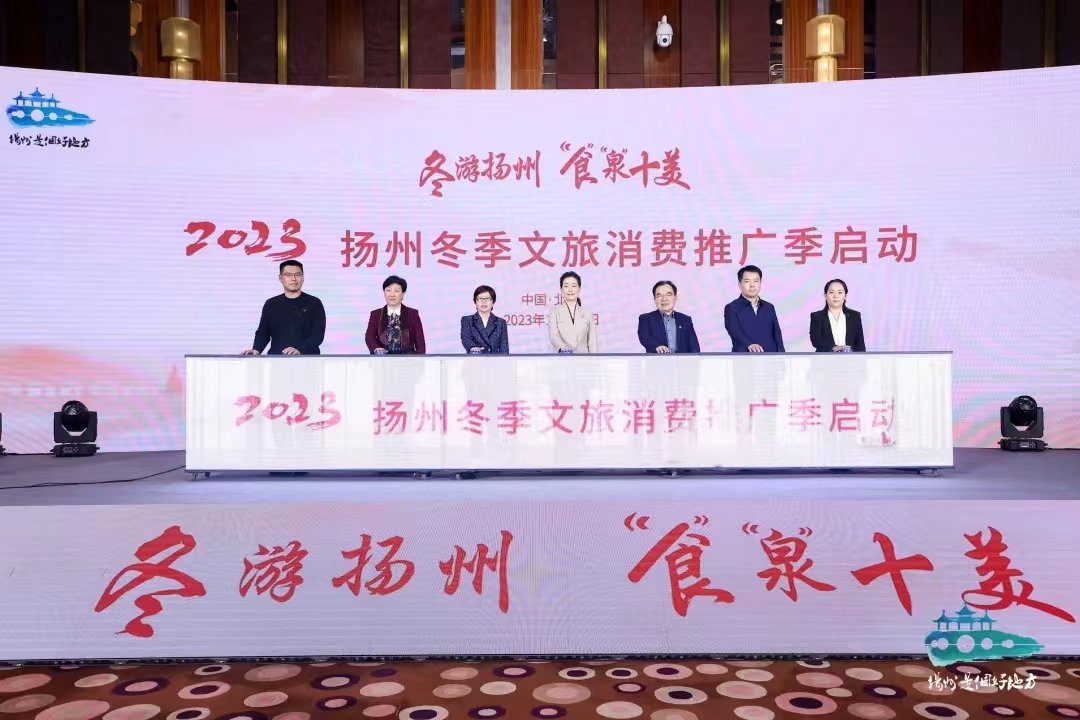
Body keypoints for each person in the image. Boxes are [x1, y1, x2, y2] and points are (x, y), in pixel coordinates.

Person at [241, 260, 326, 356]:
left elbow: (317, 335)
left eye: (298, 275)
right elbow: (263, 332)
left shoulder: (314, 303)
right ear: (280, 278)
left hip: (308, 359)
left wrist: (300, 350)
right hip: (276, 359)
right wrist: (256, 349)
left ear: (303, 278)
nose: (293, 279)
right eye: (288, 275)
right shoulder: (271, 304)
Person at [723, 264, 785, 353]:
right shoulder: (732, 308)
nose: (752, 285)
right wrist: (749, 344)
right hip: (743, 357)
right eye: (747, 281)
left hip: (770, 356)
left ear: (760, 283)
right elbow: (734, 330)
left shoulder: (769, 307)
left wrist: (782, 354)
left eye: (756, 281)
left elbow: (777, 334)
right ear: (740, 285)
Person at [365, 275, 426, 354]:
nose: (392, 294)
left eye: (396, 291)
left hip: (408, 359)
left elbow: (420, 342)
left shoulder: (412, 314)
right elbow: (369, 336)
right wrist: (376, 348)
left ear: (403, 294)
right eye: (388, 290)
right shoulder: (376, 314)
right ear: (384, 293)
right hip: (382, 359)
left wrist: (419, 359)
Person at [637, 280, 701, 354]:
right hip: (657, 360)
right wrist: (657, 346)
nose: (664, 299)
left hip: (682, 361)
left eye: (668, 294)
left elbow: (694, 347)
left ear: (675, 298)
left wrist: (694, 359)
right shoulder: (646, 319)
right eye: (659, 295)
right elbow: (645, 337)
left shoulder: (685, 320)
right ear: (655, 300)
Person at [809, 278, 866, 352]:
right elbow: (816, 341)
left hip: (850, 358)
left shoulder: (855, 316)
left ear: (845, 296)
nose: (836, 296)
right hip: (824, 357)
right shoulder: (817, 317)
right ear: (825, 295)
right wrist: (833, 348)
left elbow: (860, 345)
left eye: (840, 292)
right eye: (831, 292)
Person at [548, 271, 598, 353]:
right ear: (561, 289)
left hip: (584, 359)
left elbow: (592, 342)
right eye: (566, 286)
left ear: (579, 288)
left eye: (574, 286)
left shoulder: (587, 313)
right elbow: (553, 336)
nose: (570, 289)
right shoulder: (554, 312)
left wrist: (594, 359)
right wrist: (563, 347)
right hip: (563, 358)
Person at [460, 285, 509, 354]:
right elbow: (466, 339)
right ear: (475, 302)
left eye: (487, 298)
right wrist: (472, 348)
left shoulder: (500, 322)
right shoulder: (467, 320)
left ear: (493, 302)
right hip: (474, 359)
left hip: (495, 360)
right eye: (480, 298)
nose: (484, 302)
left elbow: (504, 348)